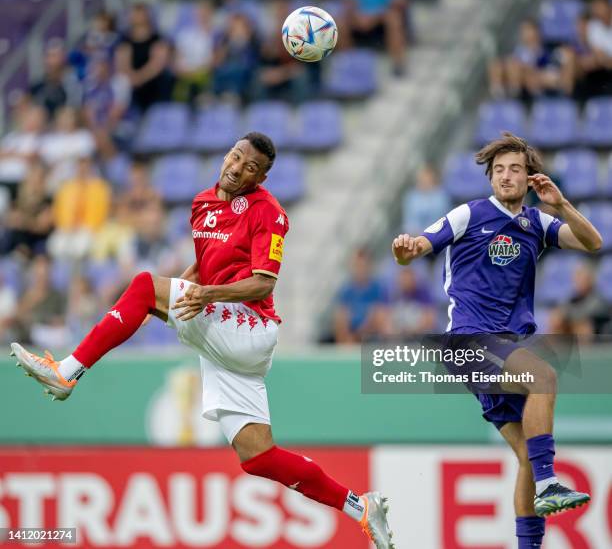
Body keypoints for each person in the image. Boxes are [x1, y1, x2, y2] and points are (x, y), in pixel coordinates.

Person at [10, 132, 395, 549]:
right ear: (227, 153)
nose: (237, 168)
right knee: (258, 457)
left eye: (250, 167)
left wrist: (191, 296)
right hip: (224, 334)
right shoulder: (201, 204)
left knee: (143, 282)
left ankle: (66, 373)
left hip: (249, 326)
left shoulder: (270, 213)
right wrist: (148, 309)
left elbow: (262, 284)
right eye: (235, 156)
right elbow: (203, 267)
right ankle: (361, 508)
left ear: (261, 176)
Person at [391, 132, 600, 547]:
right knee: (543, 378)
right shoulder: (468, 214)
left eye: (516, 170)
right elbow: (417, 248)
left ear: (529, 179)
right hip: (468, 340)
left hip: (508, 347)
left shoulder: (537, 223)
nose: (506, 176)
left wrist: (561, 205)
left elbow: (593, 243)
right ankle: (548, 484)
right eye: (499, 170)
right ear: (490, 178)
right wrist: (405, 248)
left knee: (526, 453)